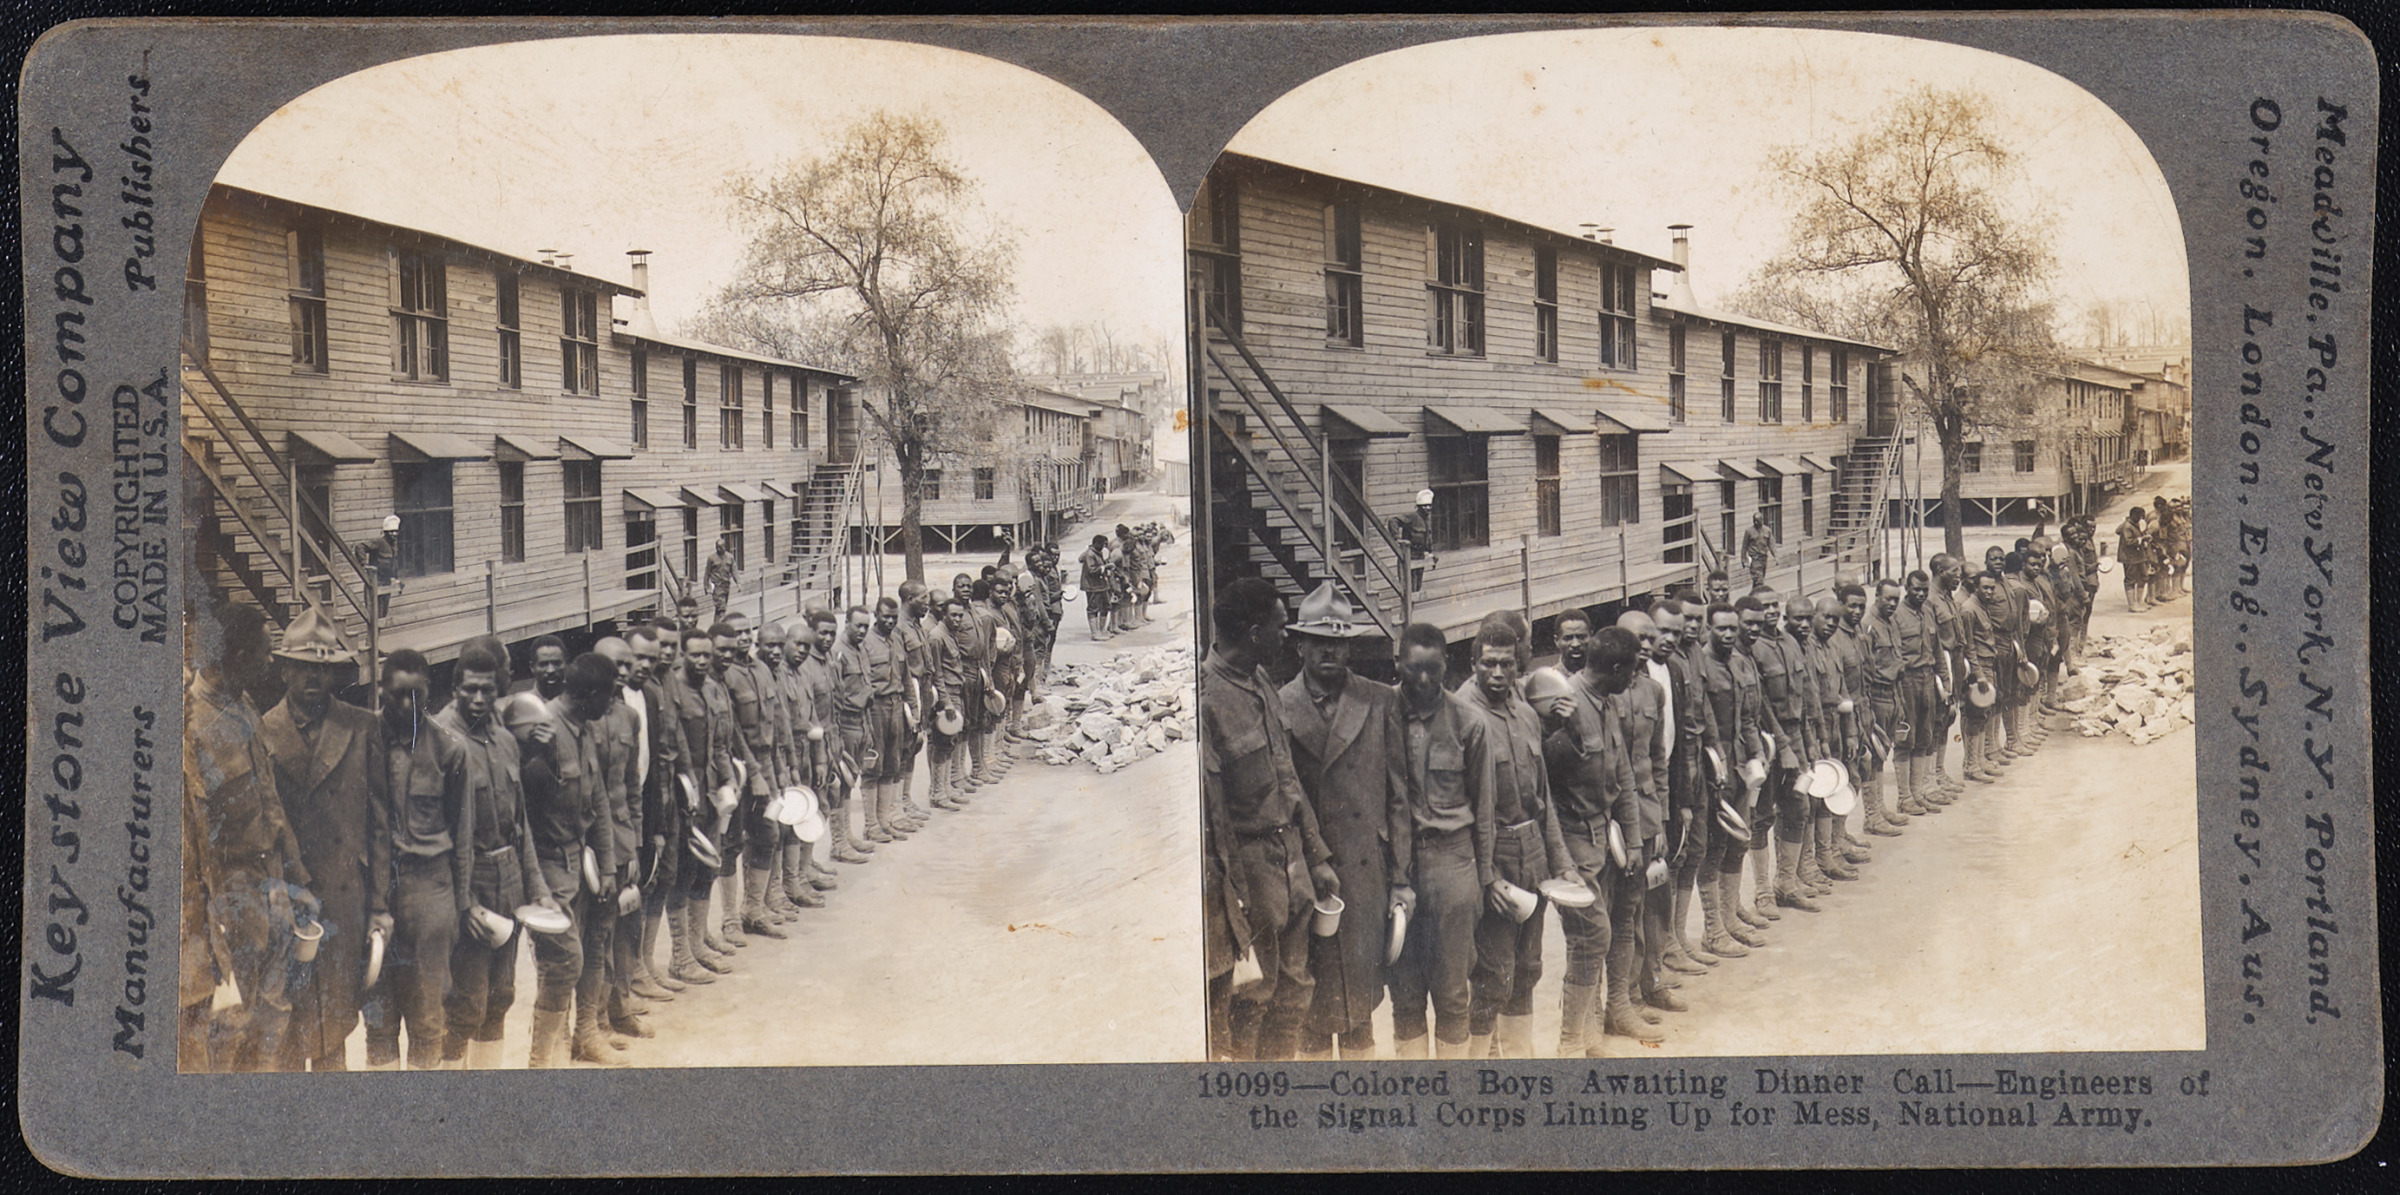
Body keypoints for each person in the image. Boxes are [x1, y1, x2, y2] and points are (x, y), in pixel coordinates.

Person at [1201, 578, 1339, 1061]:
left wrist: (1316, 855)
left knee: (1295, 988)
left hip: (1293, 863)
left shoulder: (1261, 681)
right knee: (1255, 996)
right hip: (1251, 873)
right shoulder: (1208, 700)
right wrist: (1234, 897)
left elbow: (1289, 781)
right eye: (1282, 628)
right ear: (1256, 632)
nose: (1288, 638)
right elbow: (1214, 820)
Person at [1276, 583, 1409, 1063]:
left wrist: (1400, 878)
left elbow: (1398, 797)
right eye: (1318, 642)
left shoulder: (1379, 701)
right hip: (1308, 874)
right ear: (1301, 647)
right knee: (1310, 1006)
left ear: (1350, 646)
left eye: (1338, 642)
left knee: (1360, 1006)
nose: (1329, 651)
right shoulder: (1280, 707)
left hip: (1365, 873)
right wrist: (1309, 862)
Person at [181, 602, 311, 1072]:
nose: (271, 661)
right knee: (233, 1023)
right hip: (233, 894)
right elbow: (197, 838)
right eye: (263, 650)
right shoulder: (192, 726)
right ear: (233, 654)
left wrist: (297, 877)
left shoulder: (244, 703)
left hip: (272, 882)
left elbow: (270, 800)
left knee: (275, 1012)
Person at [258, 609, 387, 1072]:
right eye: (303, 666)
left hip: (343, 897)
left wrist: (378, 905)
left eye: (323, 667)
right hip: (289, 898)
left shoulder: (362, 725)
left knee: (335, 1022)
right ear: (284, 669)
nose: (314, 677)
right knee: (288, 1026)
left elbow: (379, 824)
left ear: (333, 673)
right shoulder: (261, 730)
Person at [435, 640, 554, 1068]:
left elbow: (520, 827)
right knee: (464, 1002)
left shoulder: (504, 740)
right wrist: (462, 901)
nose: (480, 699)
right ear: (455, 687)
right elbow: (437, 834)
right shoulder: (440, 740)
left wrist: (537, 887)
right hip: (467, 882)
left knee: (501, 995)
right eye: (470, 690)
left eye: (488, 690)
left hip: (509, 880)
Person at [1461, 616, 1575, 1058]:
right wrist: (1486, 875)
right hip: (1494, 854)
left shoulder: (1526, 713)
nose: (1498, 674)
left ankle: (1520, 1061)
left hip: (1532, 855)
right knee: (1493, 970)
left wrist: (1560, 860)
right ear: (1473, 663)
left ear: (1517, 664)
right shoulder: (1464, 716)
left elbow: (1541, 797)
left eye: (1507, 665)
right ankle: (1482, 1065)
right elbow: (1468, 811)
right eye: (1488, 664)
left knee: (1527, 967)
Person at [1387, 621, 1496, 1060]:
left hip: (1453, 864)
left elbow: (1484, 809)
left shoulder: (1469, 722)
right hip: (1396, 868)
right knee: (1405, 990)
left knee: (1452, 993)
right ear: (1398, 665)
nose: (1425, 680)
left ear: (1447, 665)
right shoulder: (1380, 713)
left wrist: (1483, 881)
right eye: (1415, 670)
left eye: (1434, 669)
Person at [362, 648, 471, 1071]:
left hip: (429, 891)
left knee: (428, 1018)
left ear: (429, 693)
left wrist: (459, 907)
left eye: (417, 696)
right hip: (373, 892)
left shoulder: (449, 750)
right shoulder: (362, 740)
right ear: (381, 691)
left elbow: (462, 836)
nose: (406, 705)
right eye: (397, 695)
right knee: (378, 1014)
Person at [1542, 625, 1646, 1053]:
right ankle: (1570, 1043)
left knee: (1591, 941)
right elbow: (1543, 789)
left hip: (1603, 838)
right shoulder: (1563, 703)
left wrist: (1634, 840)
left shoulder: (1606, 702)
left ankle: (1588, 1033)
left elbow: (1622, 774)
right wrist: (1561, 859)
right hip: (1572, 840)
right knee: (1590, 938)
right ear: (1618, 669)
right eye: (1632, 670)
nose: (1634, 678)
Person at [1691, 602, 1769, 957]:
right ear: (1709, 628)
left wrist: (1757, 755)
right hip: (1713, 768)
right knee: (1713, 847)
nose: (1727, 633)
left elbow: (1749, 717)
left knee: (1739, 840)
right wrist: (1716, 766)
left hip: (1741, 765)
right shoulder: (1700, 666)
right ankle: (1713, 929)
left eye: (1732, 628)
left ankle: (1730, 916)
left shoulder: (1740, 663)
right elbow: (1702, 725)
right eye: (1720, 628)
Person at [353, 514, 403, 619]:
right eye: (391, 532)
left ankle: (377, 634)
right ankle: (373, 635)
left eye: (396, 531)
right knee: (374, 613)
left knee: (383, 613)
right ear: (386, 532)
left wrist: (397, 579)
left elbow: (393, 564)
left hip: (387, 582)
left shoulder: (394, 545)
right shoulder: (379, 542)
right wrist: (364, 564)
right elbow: (359, 547)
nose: (394, 534)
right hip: (376, 582)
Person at [2115, 506, 2152, 613]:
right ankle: (2132, 604)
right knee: (2130, 579)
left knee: (2144, 576)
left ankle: (2139, 601)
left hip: (2139, 555)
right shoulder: (2127, 526)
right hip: (2129, 557)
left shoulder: (2135, 524)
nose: (2141, 518)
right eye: (2140, 516)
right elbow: (2128, 541)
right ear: (2134, 515)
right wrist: (2141, 539)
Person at [1079, 535, 1116, 640]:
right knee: (1093, 608)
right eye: (1102, 544)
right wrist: (1105, 567)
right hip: (1092, 586)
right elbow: (1091, 570)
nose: (1104, 547)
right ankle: (1095, 632)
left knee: (1105, 606)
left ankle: (1102, 630)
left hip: (1101, 584)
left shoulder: (1099, 553)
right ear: (1096, 543)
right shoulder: (1090, 554)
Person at [513, 635, 569, 700]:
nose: (550, 670)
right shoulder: (523, 704)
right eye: (543, 665)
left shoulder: (579, 700)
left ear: (566, 663)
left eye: (556, 663)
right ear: (532, 667)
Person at [703, 536, 737, 622]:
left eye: (720, 547)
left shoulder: (730, 557)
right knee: (722, 609)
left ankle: (716, 626)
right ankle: (724, 627)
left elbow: (734, 571)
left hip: (726, 586)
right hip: (717, 586)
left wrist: (738, 583)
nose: (718, 549)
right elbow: (707, 573)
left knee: (719, 609)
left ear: (725, 547)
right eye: (717, 547)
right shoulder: (711, 558)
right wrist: (706, 586)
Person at [1741, 511, 1777, 590]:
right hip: (1754, 559)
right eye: (1754, 520)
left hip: (1763, 559)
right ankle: (1759, 599)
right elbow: (1744, 546)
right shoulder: (1749, 531)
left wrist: (1776, 556)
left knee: (1758, 581)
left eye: (1757, 520)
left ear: (1762, 520)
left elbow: (1771, 544)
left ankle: (1752, 598)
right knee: (1759, 581)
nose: (1755, 522)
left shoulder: (1767, 531)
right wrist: (1743, 559)